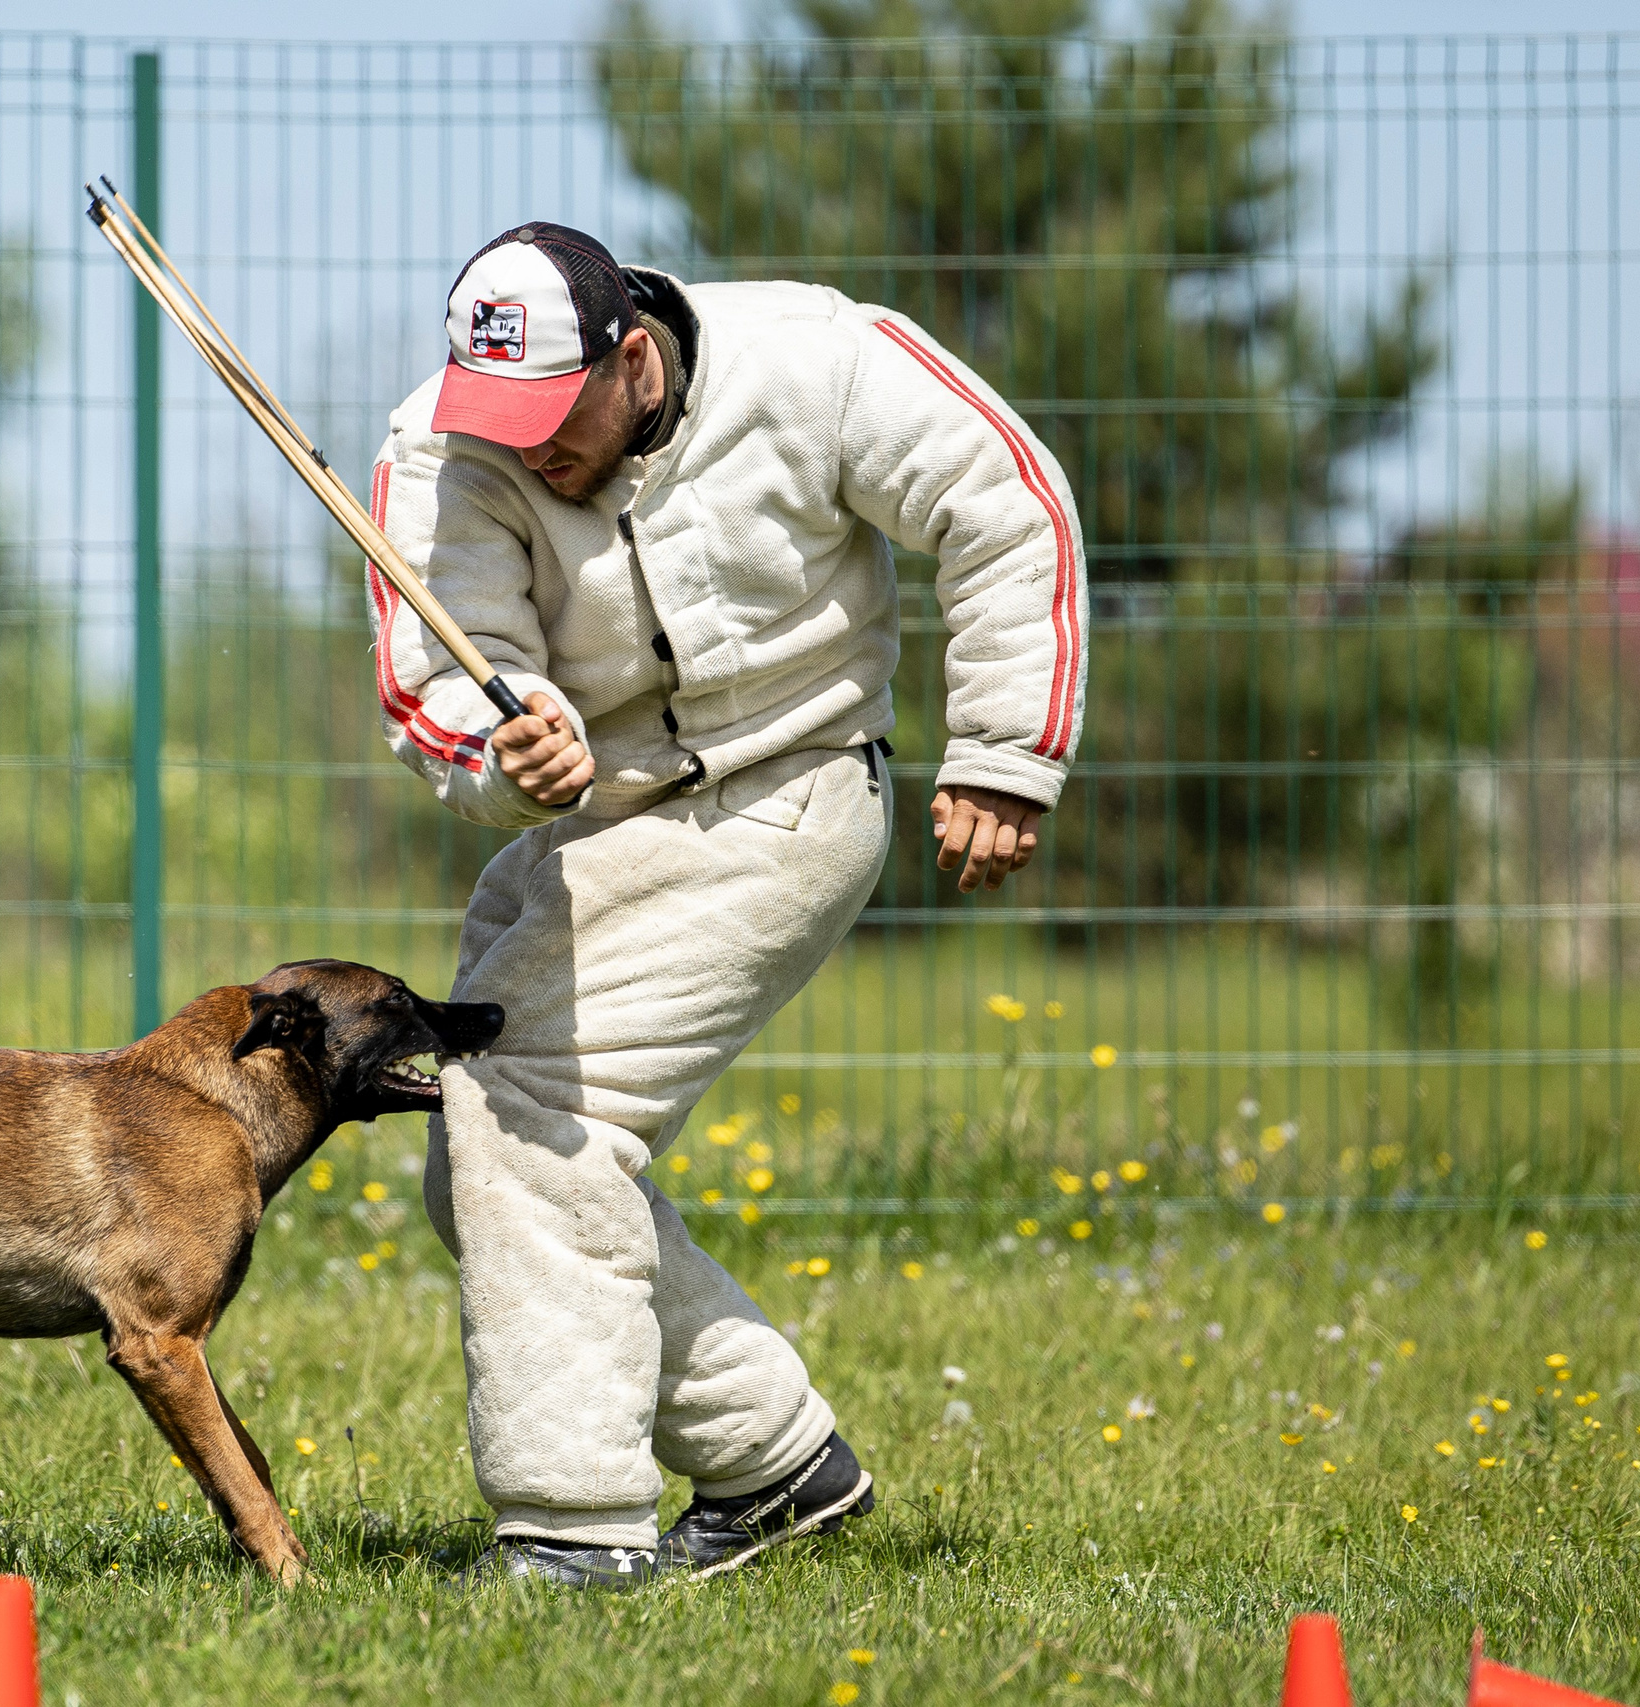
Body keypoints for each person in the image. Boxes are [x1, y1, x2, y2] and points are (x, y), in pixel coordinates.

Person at [364, 223, 1087, 1587]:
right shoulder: (444, 446)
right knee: (492, 1165)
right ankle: (774, 1463)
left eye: (550, 415)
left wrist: (1004, 753)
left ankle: (576, 1529)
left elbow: (1006, 502)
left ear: (634, 357)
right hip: (596, 823)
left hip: (793, 797)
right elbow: (439, 671)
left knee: (523, 1114)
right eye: (492, 418)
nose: (523, 451)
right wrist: (512, 747)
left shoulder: (814, 359)